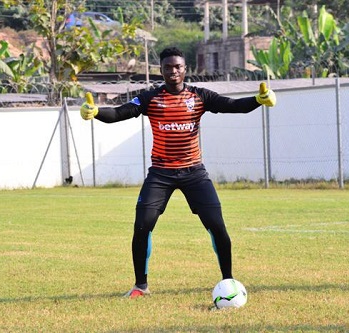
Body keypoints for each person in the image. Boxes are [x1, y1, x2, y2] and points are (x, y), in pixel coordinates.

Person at [80, 47, 276, 298]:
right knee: (142, 226)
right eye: (168, 67)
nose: (173, 71)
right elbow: (119, 112)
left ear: (185, 69)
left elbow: (232, 105)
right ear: (161, 70)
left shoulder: (199, 96)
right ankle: (141, 286)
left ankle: (229, 282)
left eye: (178, 67)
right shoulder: (150, 98)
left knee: (217, 226)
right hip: (161, 174)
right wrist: (95, 113)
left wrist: (258, 101)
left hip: (194, 172)